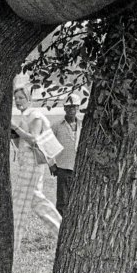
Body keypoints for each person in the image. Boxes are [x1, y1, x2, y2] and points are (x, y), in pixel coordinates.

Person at [10, 87, 62, 252]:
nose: (18, 101)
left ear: (29, 99)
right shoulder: (25, 116)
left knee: (19, 202)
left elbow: (34, 140)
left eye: (21, 98)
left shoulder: (35, 115)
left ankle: (13, 244)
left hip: (33, 165)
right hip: (26, 164)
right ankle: (62, 232)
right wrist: (15, 135)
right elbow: (22, 144)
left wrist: (15, 128)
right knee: (36, 201)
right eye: (16, 98)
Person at [50, 98, 81, 217]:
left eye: (74, 106)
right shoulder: (57, 126)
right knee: (62, 201)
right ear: (64, 108)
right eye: (68, 107)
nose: (71, 109)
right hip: (62, 167)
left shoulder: (82, 124)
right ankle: (61, 227)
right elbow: (46, 144)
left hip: (79, 167)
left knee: (77, 199)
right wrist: (51, 163)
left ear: (78, 108)